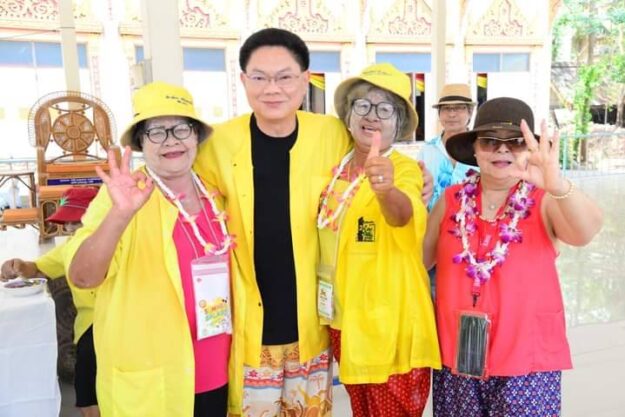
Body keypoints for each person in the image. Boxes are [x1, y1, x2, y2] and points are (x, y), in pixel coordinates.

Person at [423, 97, 603, 416]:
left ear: (529, 150)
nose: (502, 150)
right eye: (490, 141)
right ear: (475, 149)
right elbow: (416, 263)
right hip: (458, 358)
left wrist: (557, 184)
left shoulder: (545, 198)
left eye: (516, 142)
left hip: (527, 362)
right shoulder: (450, 200)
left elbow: (585, 232)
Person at [66, 81, 233, 417]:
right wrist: (120, 214)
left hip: (216, 367)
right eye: (156, 131)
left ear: (196, 137)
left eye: (182, 128)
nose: (171, 140)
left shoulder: (217, 194)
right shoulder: (123, 196)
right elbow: (83, 277)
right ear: (141, 142)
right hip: (153, 376)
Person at [317, 62, 441, 416]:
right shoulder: (335, 167)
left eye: (385, 109)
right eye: (363, 105)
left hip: (391, 323)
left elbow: (403, 214)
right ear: (349, 114)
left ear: (398, 124)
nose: (372, 115)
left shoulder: (403, 169)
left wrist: (386, 190)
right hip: (344, 318)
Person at [1, 186, 99, 417]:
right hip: (89, 328)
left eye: (77, 222)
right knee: (86, 393)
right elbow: (37, 268)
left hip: (119, 324)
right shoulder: (69, 248)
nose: (70, 228)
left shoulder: (122, 242)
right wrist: (18, 266)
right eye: (67, 223)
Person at [420, 83, 476, 211]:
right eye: (446, 108)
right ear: (439, 113)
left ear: (470, 112)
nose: (451, 114)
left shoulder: (480, 150)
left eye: (459, 108)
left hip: (472, 221)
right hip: (433, 221)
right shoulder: (427, 150)